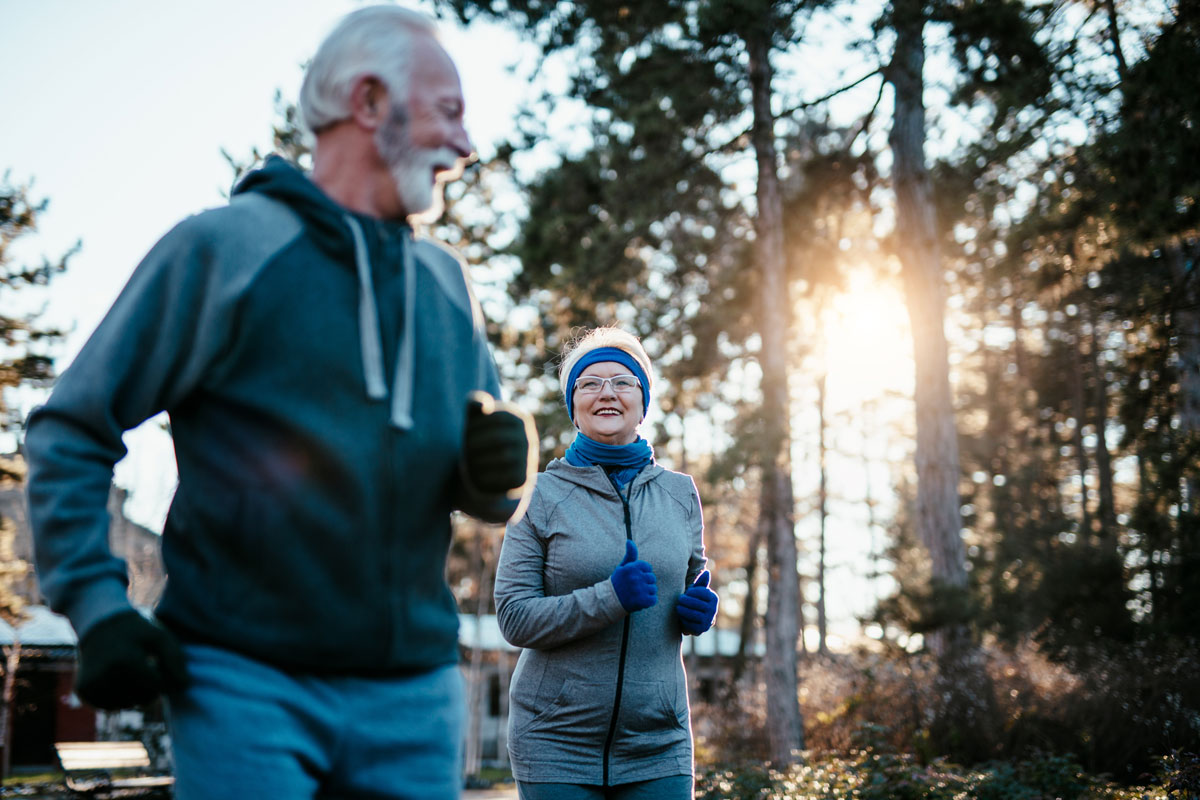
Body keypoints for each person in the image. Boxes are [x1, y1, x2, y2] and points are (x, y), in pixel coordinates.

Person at [23, 6, 535, 799]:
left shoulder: (446, 286)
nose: (465, 147)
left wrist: (491, 476)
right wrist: (98, 605)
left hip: (414, 694)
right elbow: (73, 425)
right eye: (449, 113)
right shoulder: (226, 249)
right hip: (245, 682)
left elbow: (473, 480)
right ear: (367, 104)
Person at [493, 327, 720, 800]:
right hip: (554, 739)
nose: (607, 393)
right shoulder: (538, 494)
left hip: (659, 739)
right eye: (590, 383)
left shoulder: (680, 494)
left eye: (623, 381)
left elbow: (694, 577)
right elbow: (514, 617)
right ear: (573, 404)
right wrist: (610, 598)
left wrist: (697, 611)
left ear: (643, 400)